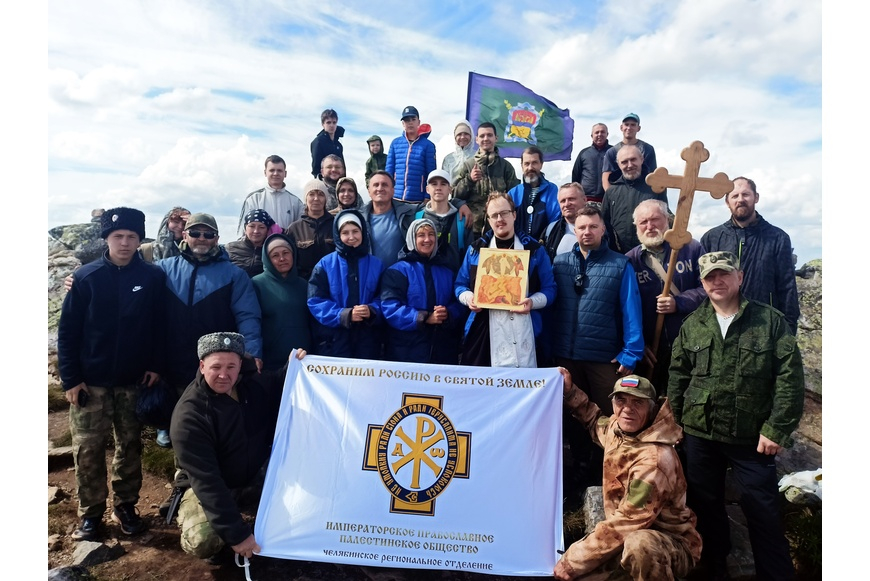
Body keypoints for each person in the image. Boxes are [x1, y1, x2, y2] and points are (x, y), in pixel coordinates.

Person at [668, 251, 804, 581]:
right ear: (702, 283)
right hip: (701, 434)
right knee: (705, 508)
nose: (717, 281)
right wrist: (677, 423)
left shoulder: (769, 321)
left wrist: (776, 428)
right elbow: (678, 375)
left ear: (739, 277)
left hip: (752, 437)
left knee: (763, 513)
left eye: (724, 274)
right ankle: (716, 569)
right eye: (710, 277)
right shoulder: (693, 325)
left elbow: (790, 378)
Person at [58, 207, 165, 541]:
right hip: (90, 383)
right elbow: (68, 332)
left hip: (133, 381)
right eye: (118, 236)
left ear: (139, 240)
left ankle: (126, 506)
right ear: (106, 238)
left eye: (132, 236)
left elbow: (159, 326)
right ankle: (91, 515)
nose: (125, 243)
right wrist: (71, 379)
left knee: (130, 446)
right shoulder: (86, 277)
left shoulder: (152, 277)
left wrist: (155, 364)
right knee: (88, 450)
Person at [170, 333, 307, 561]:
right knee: (204, 540)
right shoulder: (189, 416)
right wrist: (237, 535)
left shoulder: (252, 384)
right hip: (211, 483)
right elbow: (208, 483)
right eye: (216, 367)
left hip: (254, 476)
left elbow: (278, 385)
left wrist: (294, 367)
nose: (224, 375)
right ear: (202, 366)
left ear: (240, 365)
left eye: (231, 367)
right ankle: (202, 522)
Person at [554, 372, 702, 581]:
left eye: (637, 402)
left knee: (640, 545)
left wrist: (573, 560)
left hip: (668, 545)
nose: (627, 409)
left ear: (652, 410)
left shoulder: (655, 461)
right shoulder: (618, 430)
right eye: (621, 400)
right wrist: (570, 392)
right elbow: (594, 420)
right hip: (624, 536)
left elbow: (628, 521)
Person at [551, 205, 644, 486]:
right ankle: (579, 471)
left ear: (603, 229)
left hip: (603, 358)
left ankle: (609, 473)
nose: (587, 232)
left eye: (593, 226)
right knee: (573, 416)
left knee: (606, 418)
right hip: (566, 355)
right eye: (581, 227)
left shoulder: (619, 264)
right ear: (574, 230)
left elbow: (631, 310)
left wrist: (631, 352)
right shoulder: (560, 264)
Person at [157, 213, 263, 447]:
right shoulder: (163, 269)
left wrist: (253, 352)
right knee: (179, 426)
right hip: (172, 360)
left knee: (214, 424)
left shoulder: (234, 275)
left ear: (217, 238)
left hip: (215, 364)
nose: (202, 238)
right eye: (196, 233)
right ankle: (175, 450)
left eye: (208, 234)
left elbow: (248, 316)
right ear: (185, 235)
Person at [455, 192, 556, 368]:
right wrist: (469, 298)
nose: (500, 219)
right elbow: (460, 285)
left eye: (504, 213)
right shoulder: (475, 250)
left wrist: (532, 302)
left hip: (525, 326)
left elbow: (550, 289)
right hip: (484, 331)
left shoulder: (534, 250)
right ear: (488, 220)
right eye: (494, 215)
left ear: (514, 215)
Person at [700, 176, 800, 335]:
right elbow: (703, 286)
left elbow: (787, 288)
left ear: (756, 197)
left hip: (765, 327)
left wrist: (788, 332)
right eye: (734, 196)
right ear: (727, 202)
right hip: (723, 327)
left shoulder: (777, 238)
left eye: (745, 194)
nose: (740, 199)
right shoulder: (712, 238)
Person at [626, 200, 706, 391]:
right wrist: (639, 345)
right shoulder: (630, 260)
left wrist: (679, 302)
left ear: (668, 220)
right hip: (651, 351)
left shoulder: (691, 249)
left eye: (655, 219)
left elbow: (710, 289)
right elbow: (625, 309)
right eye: (643, 222)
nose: (650, 226)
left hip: (691, 343)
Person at [380, 218, 465, 364]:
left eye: (431, 234)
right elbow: (390, 308)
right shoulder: (397, 271)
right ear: (412, 239)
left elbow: (458, 303)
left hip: (442, 351)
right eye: (421, 235)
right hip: (406, 352)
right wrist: (424, 318)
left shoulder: (447, 270)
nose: (427, 239)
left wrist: (448, 313)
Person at [307, 209, 385, 359]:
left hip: (368, 341)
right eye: (345, 233)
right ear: (338, 235)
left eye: (355, 231)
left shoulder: (377, 265)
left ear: (363, 232)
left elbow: (385, 298)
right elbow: (316, 301)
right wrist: (344, 315)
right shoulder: (324, 265)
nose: (351, 237)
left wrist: (372, 310)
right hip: (334, 341)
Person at [252, 234, 311, 370]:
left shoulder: (304, 285)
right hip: (270, 362)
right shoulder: (257, 284)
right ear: (267, 259)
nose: (282, 258)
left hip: (303, 359)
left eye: (286, 253)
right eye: (275, 255)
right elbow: (252, 322)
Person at [452, 122, 520, 237]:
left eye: (489, 135)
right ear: (477, 139)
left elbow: (514, 198)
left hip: (499, 227)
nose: (486, 139)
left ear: (496, 138)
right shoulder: (468, 165)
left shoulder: (505, 167)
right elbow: (454, 195)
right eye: (482, 136)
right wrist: (470, 179)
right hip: (472, 228)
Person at [601, 144, 670, 254]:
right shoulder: (611, 192)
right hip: (619, 254)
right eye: (624, 162)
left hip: (651, 253)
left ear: (641, 159)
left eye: (633, 159)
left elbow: (665, 218)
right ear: (618, 164)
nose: (629, 165)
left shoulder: (655, 187)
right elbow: (604, 223)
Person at [361, 170, 417, 268]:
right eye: (376, 185)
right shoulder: (359, 218)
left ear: (393, 190)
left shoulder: (409, 213)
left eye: (385, 185)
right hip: (370, 275)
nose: (380, 188)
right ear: (369, 191)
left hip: (399, 275)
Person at [415, 169, 467, 272]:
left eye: (443, 184)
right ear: (427, 189)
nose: (438, 188)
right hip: (425, 279)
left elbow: (467, 257)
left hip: (455, 278)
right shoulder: (418, 218)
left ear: (450, 189)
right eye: (434, 184)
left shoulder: (462, 219)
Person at [238, 155, 303, 234]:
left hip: (286, 241)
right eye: (272, 170)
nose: (275, 173)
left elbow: (301, 231)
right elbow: (243, 230)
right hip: (260, 242)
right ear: (265, 172)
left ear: (285, 173)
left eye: (279, 170)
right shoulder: (253, 199)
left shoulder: (296, 202)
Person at [506, 146, 561, 240]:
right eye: (526, 164)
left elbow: (555, 221)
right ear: (522, 166)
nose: (530, 168)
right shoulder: (513, 193)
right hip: (518, 244)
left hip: (544, 244)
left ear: (541, 164)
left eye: (534, 163)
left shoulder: (552, 190)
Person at [385, 105, 437, 204]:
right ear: (403, 123)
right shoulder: (395, 143)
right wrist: (387, 193)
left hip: (418, 200)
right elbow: (389, 171)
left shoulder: (428, 145)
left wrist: (427, 196)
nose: (410, 123)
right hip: (396, 199)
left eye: (413, 119)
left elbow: (431, 173)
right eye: (407, 120)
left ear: (418, 122)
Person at [285, 179, 335, 280]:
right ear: (306, 198)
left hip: (332, 282)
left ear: (326, 199)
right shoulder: (294, 229)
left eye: (321, 194)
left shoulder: (336, 225)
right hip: (304, 284)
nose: (316, 198)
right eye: (311, 194)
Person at [601, 113, 657, 192]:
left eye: (633, 125)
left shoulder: (647, 149)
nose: (629, 128)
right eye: (626, 124)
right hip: (619, 193)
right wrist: (611, 196)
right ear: (621, 127)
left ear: (638, 128)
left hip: (643, 193)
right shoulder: (612, 152)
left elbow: (653, 175)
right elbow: (606, 178)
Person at [542, 183, 587, 261]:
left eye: (571, 199)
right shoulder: (551, 230)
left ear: (584, 200)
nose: (567, 204)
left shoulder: (599, 227)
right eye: (563, 201)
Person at [226, 209, 274, 277]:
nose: (256, 231)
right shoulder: (230, 248)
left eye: (261, 227)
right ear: (245, 228)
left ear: (267, 230)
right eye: (252, 226)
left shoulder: (271, 251)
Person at [571, 123, 611, 204]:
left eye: (602, 132)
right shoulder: (584, 153)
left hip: (608, 197)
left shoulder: (614, 152)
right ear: (592, 135)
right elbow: (576, 176)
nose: (599, 134)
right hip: (587, 198)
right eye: (597, 132)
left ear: (607, 134)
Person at [310, 108, 344, 178]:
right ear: (323, 124)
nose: (332, 125)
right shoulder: (318, 142)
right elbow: (316, 166)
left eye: (334, 122)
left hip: (337, 180)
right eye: (328, 122)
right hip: (324, 180)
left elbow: (342, 166)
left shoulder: (338, 145)